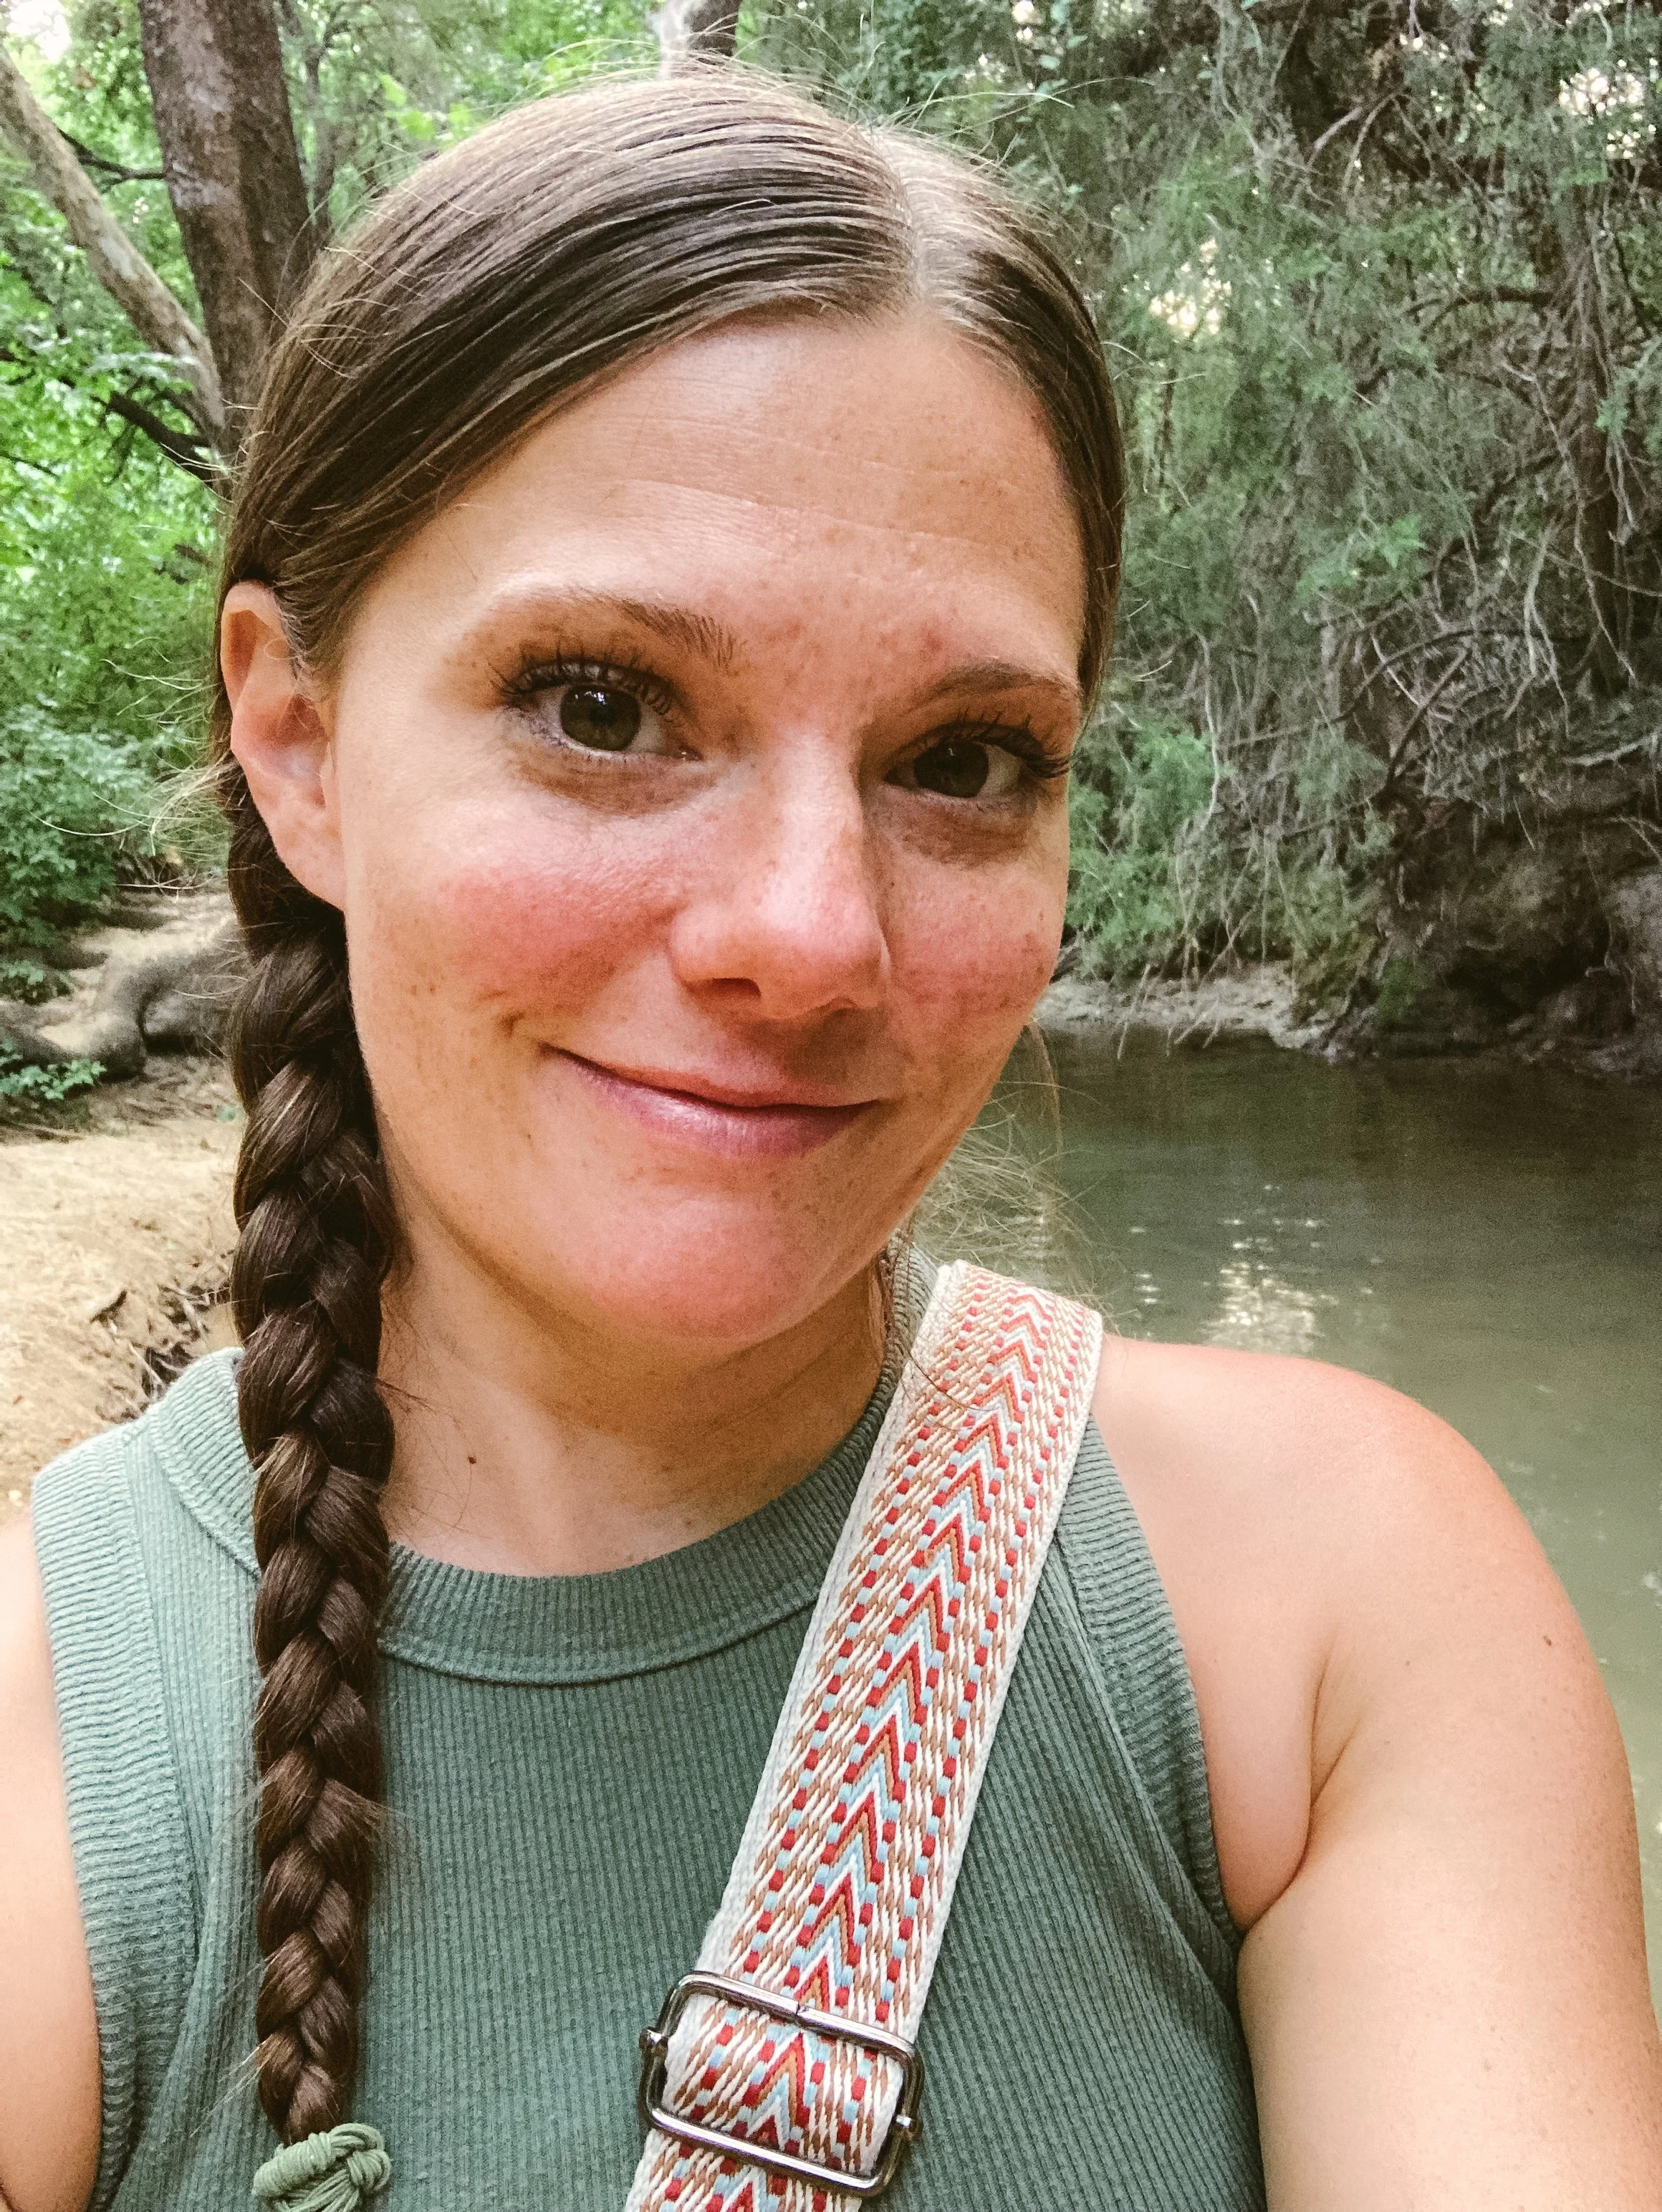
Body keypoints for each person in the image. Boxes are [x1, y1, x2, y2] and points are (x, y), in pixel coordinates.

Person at [1, 72, 1658, 2212]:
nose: (810, 935)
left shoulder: (1334, 1609)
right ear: (297, 739)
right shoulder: (51, 1745)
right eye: (603, 706)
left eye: (962, 759)